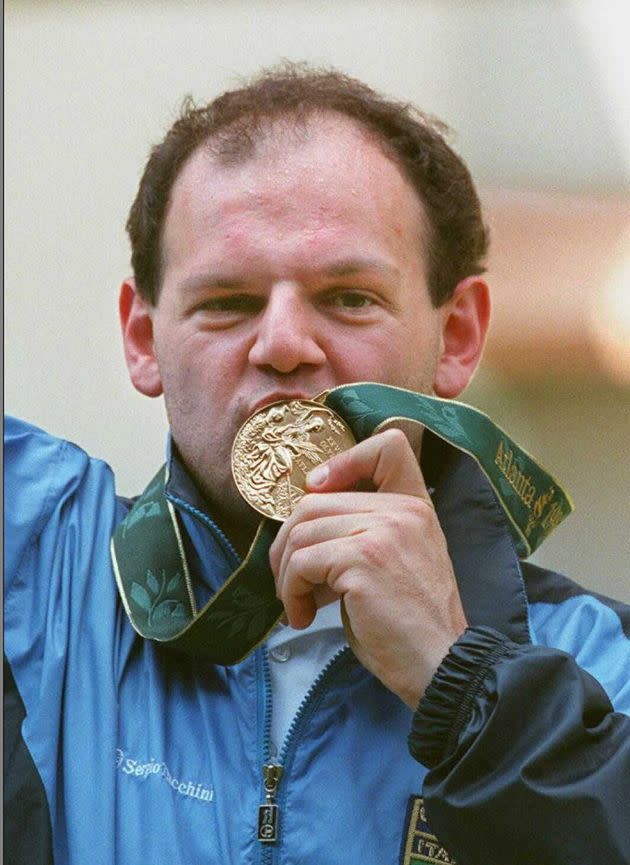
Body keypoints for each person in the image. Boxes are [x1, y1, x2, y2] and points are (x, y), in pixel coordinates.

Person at [4, 64, 629, 865]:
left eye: (348, 297)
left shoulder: (604, 664)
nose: (283, 344)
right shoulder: (35, 574)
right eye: (226, 302)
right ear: (142, 337)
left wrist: (466, 683)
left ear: (460, 335)